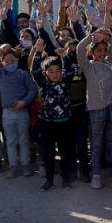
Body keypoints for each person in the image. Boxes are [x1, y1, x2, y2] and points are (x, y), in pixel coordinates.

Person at [77, 28, 112, 189]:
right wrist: (91, 38)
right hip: (96, 109)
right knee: (97, 143)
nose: (102, 53)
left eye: (105, 50)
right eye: (99, 50)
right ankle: (96, 175)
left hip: (111, 107)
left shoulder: (110, 63)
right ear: (92, 51)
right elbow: (79, 50)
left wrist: (107, 36)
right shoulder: (88, 66)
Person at [0, 46, 38, 178]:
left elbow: (32, 90)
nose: (9, 63)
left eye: (12, 61)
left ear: (17, 60)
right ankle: (13, 166)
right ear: (2, 62)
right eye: (6, 61)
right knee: (10, 141)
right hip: (7, 113)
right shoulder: (1, 73)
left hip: (22, 112)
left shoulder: (23, 74)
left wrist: (24, 102)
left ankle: (25, 165)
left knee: (23, 140)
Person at [32, 53, 76, 190]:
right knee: (48, 154)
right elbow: (34, 71)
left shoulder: (66, 81)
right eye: (51, 72)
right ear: (46, 73)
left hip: (64, 123)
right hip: (47, 124)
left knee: (65, 153)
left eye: (57, 71)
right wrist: (38, 53)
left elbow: (71, 70)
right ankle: (49, 180)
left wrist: (66, 57)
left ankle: (66, 179)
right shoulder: (44, 83)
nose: (55, 74)